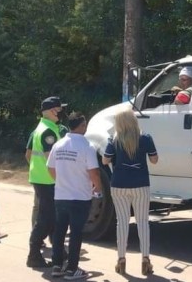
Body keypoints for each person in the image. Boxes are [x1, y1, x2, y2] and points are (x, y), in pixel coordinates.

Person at [102, 108, 159, 275]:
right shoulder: (145, 138)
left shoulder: (114, 140)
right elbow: (154, 160)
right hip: (141, 184)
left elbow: (105, 160)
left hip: (119, 184)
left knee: (122, 222)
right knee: (143, 222)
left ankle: (121, 259)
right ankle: (146, 259)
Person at [47, 112, 103, 280]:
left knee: (59, 232)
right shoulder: (87, 146)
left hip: (61, 195)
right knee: (76, 233)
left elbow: (50, 168)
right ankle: (72, 269)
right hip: (80, 197)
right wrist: (97, 189)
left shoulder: (59, 144)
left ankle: (57, 266)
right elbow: (94, 172)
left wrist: (62, 180)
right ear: (82, 126)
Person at [26, 96, 65, 268]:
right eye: (58, 109)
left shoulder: (44, 127)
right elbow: (52, 161)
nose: (60, 113)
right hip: (47, 180)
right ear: (51, 111)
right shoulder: (48, 132)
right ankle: (33, 254)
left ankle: (58, 251)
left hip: (43, 179)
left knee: (54, 218)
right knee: (46, 219)